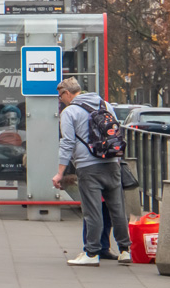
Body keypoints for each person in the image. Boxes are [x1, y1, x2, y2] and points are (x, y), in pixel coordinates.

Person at [51, 77, 131, 266]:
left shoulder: (70, 112)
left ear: (67, 93)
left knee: (92, 211)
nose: (60, 99)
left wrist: (60, 172)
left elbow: (67, 143)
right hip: (112, 163)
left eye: (60, 95)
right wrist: (117, 160)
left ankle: (91, 252)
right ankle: (125, 251)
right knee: (117, 209)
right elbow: (116, 134)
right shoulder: (105, 105)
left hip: (88, 166)